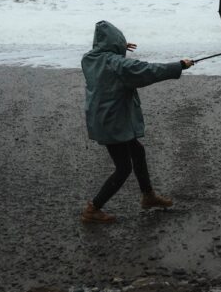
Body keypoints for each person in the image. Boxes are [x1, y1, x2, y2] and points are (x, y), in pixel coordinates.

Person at [80, 20, 194, 223]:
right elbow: (147, 71)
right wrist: (179, 65)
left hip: (102, 118)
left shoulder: (89, 59)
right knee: (123, 168)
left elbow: (108, 59)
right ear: (114, 43)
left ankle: (148, 196)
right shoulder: (117, 64)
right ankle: (93, 208)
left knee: (137, 151)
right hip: (112, 122)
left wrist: (118, 48)